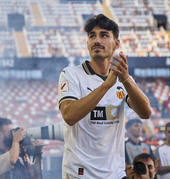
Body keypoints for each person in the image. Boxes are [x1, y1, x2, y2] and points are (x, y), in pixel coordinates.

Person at [58, 14, 151, 179]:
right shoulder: (71, 74)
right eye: (92, 36)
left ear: (116, 43)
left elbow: (145, 113)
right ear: (87, 42)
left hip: (115, 174)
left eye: (104, 35)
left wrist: (126, 80)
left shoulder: (124, 79)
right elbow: (69, 115)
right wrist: (106, 85)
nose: (97, 40)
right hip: (80, 174)